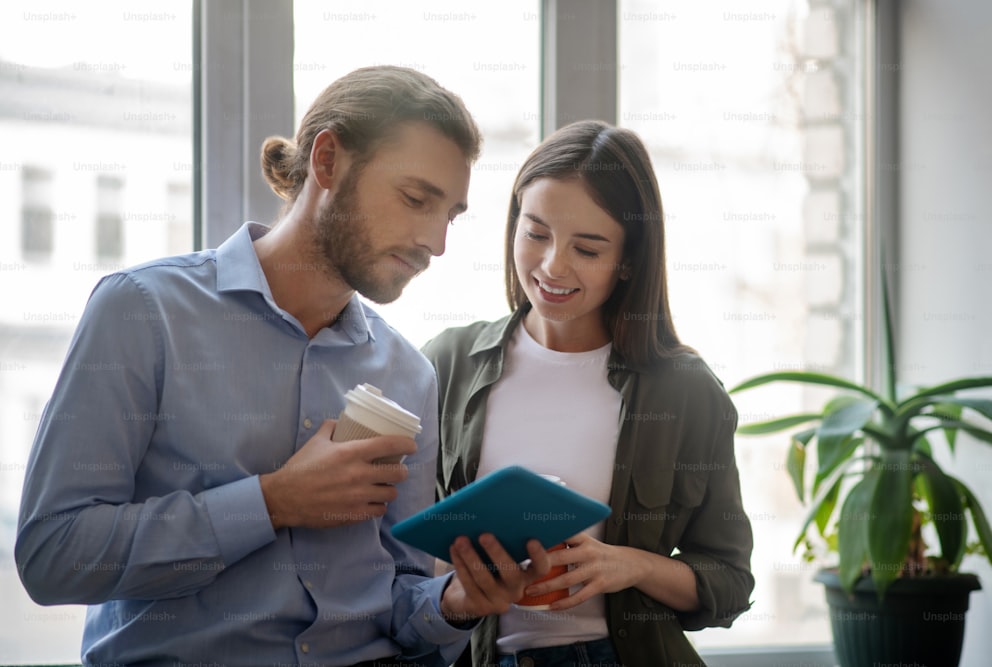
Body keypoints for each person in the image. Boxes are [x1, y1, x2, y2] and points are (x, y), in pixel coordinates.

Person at [15, 65, 551, 667]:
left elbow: (399, 598)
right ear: (328, 163)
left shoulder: (408, 372)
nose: (436, 242)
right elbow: (53, 557)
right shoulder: (143, 312)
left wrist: (457, 601)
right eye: (415, 199)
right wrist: (272, 502)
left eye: (450, 215)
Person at [422, 120, 755, 667]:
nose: (553, 266)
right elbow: (407, 564)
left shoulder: (685, 391)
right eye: (535, 233)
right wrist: (462, 586)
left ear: (628, 261)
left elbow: (731, 582)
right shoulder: (447, 362)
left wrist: (629, 566)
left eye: (588, 248)